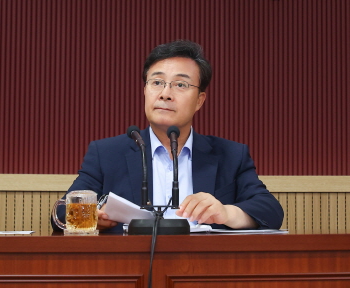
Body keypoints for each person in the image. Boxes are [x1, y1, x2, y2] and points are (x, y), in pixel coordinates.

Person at [53, 40, 283, 232]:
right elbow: (62, 212)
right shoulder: (106, 153)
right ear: (145, 91)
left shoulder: (230, 155)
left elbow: (271, 211)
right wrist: (94, 218)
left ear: (200, 100)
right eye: (157, 82)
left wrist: (226, 213)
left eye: (180, 84)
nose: (165, 94)